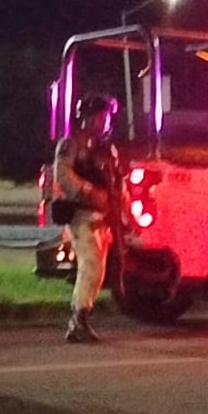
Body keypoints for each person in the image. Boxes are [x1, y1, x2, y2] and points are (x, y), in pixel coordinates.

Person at [53, 94, 121, 343]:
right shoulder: (71, 144)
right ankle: (78, 320)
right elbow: (63, 174)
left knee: (98, 269)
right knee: (90, 264)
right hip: (81, 214)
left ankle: (81, 316)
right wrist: (90, 192)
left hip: (103, 217)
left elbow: (115, 181)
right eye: (103, 117)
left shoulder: (107, 148)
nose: (106, 122)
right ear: (90, 118)